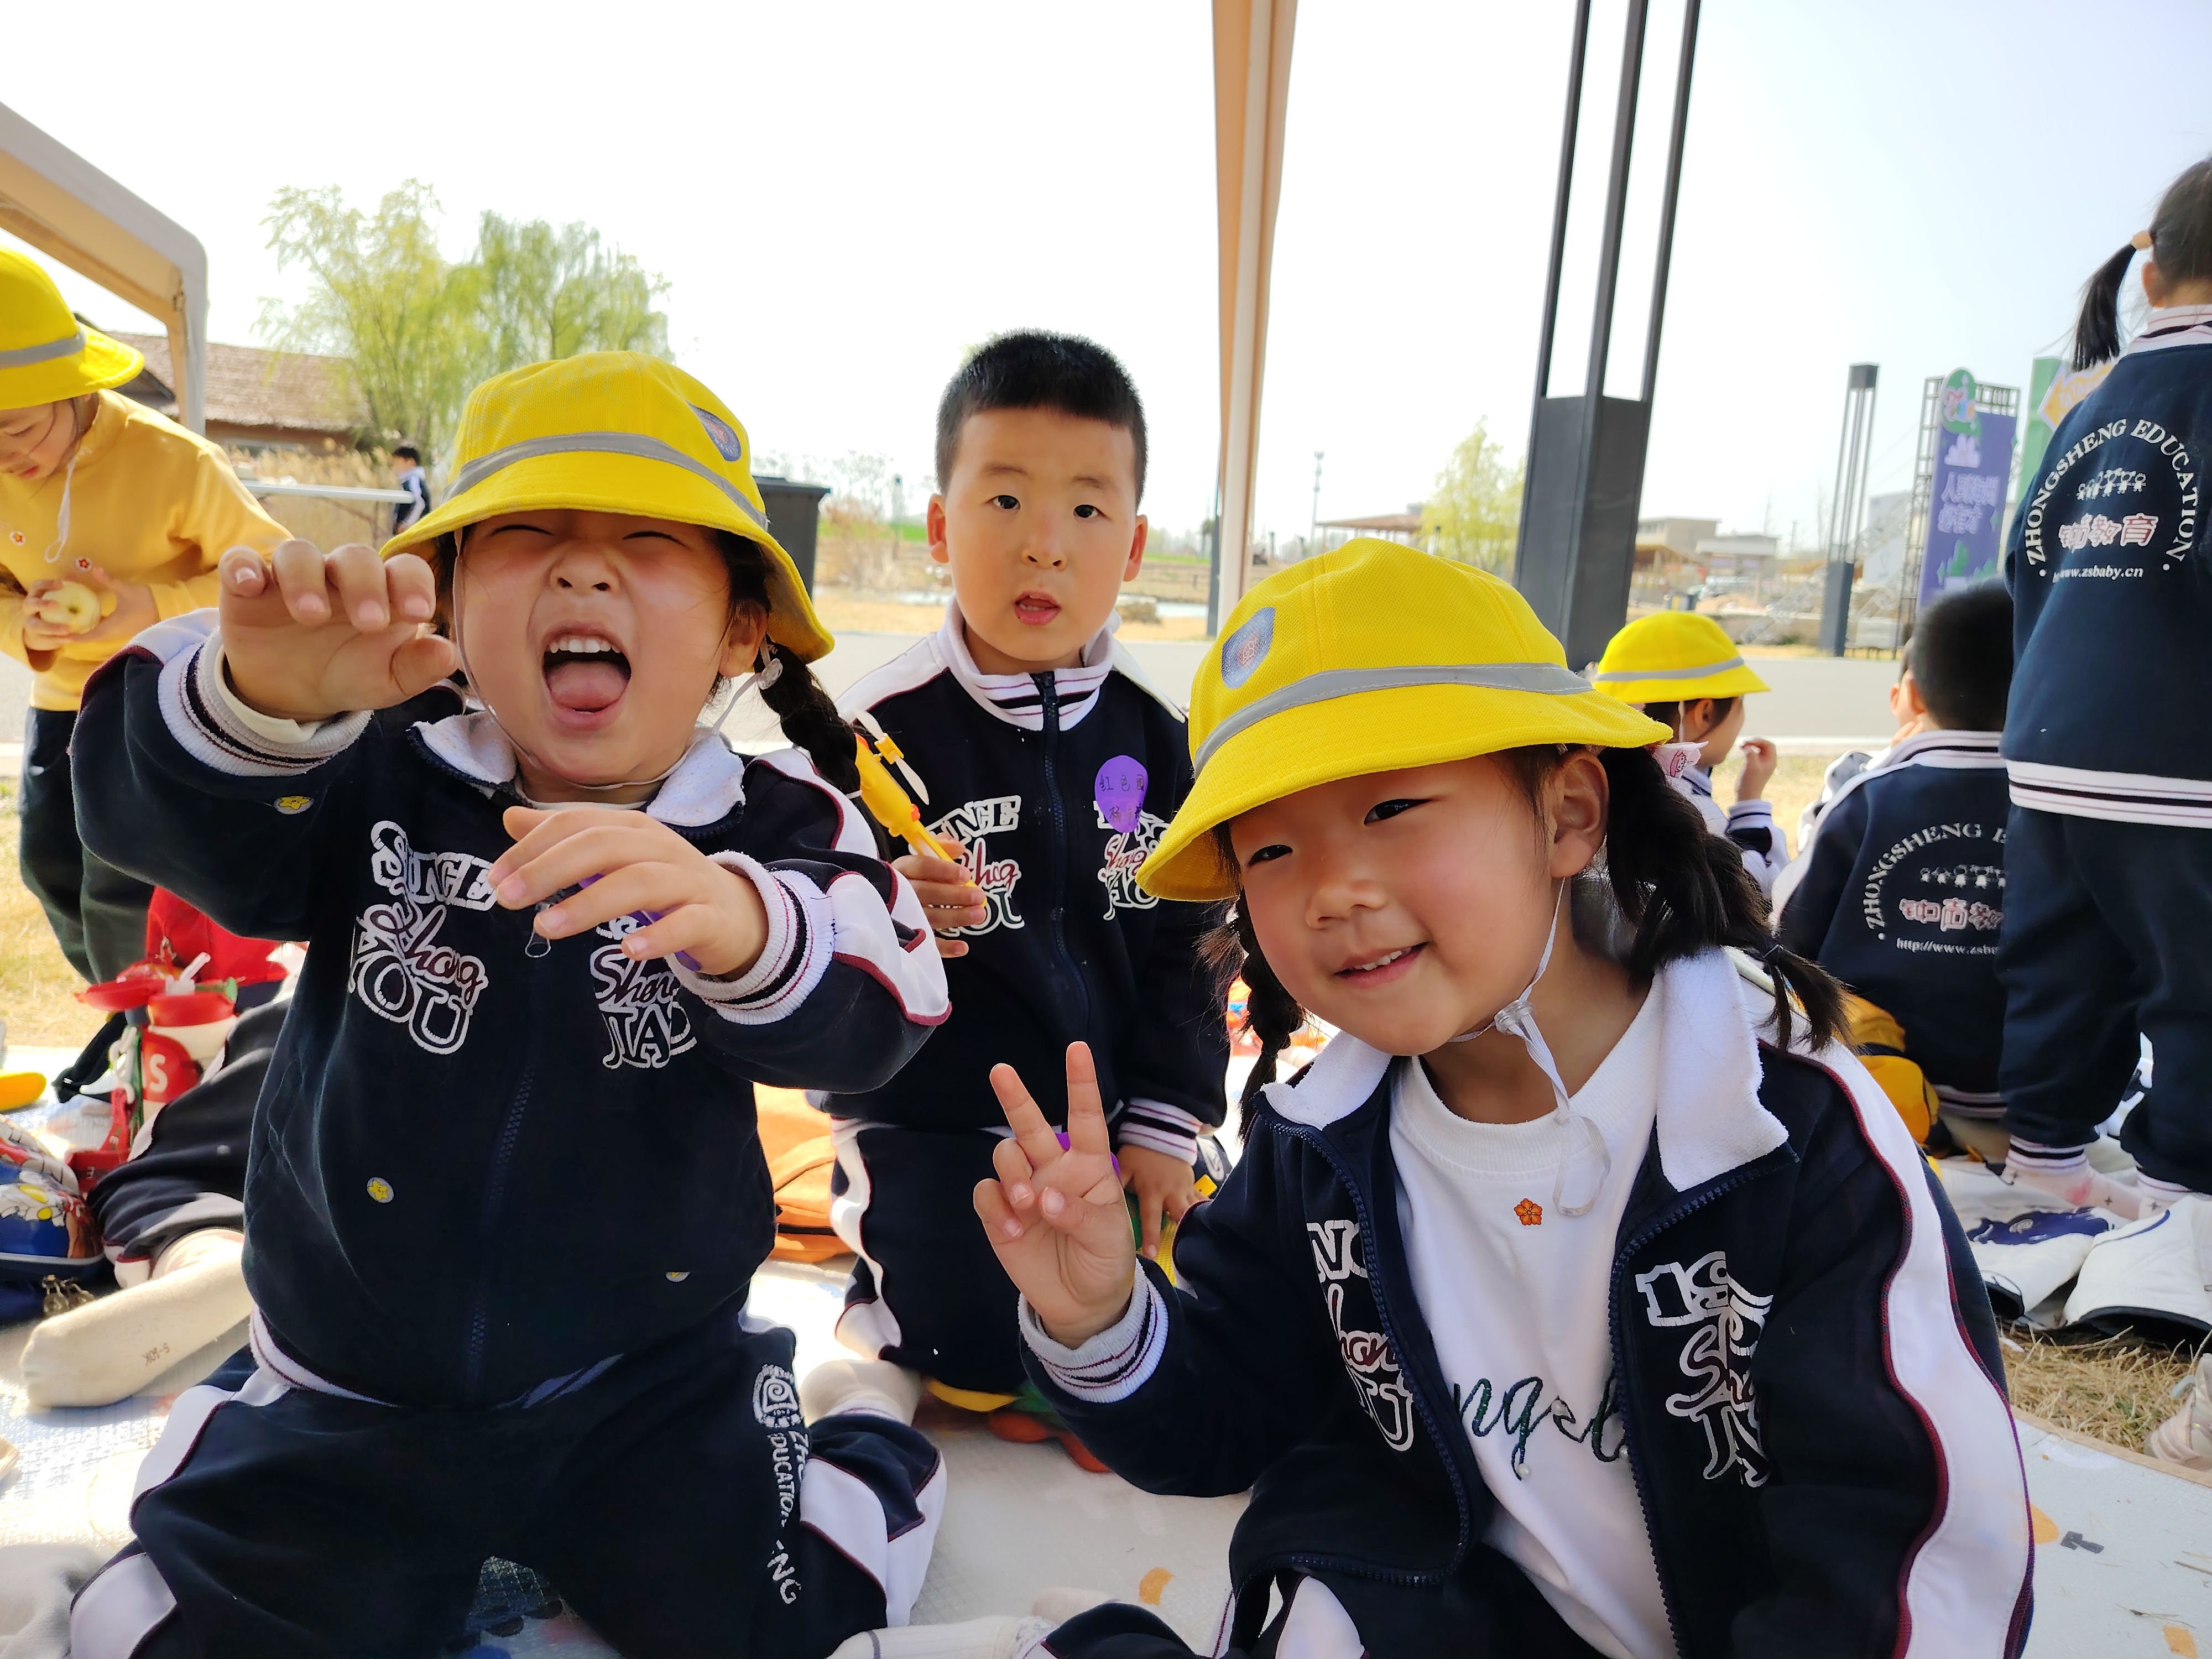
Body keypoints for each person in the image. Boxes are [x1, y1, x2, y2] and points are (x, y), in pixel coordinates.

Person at [61, 352, 1011, 1659]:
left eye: (648, 542)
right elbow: (154, 821)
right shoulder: (373, 767)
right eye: (527, 535)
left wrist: (743, 923)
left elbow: (889, 997)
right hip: (352, 1380)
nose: (583, 573)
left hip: (648, 1386)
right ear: (449, 599)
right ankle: (246, 1428)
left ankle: (853, 1432)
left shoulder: (778, 826)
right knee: (163, 1631)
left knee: (776, 1621)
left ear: (743, 631)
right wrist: (261, 703)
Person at [974, 541, 2031, 1659]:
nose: (1331, 890)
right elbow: (1227, 1416)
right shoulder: (1317, 1146)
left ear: (1568, 813)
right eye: (1270, 848)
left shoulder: (1785, 1128)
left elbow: (1910, 1544)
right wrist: (1097, 1317)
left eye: (1389, 807)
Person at [827, 333, 1227, 1417]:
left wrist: (1162, 1127)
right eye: (1004, 501)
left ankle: (1088, 1365)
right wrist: (878, 914)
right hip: (935, 1133)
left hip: (1115, 1124)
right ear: (939, 527)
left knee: (1222, 1268)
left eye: (1086, 509)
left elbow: (1193, 946)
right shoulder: (869, 738)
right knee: (962, 1324)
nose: (1044, 546)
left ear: (1133, 546)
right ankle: (938, 1343)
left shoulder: (1161, 740)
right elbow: (805, 949)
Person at [1997, 155, 2212, 1218]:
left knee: (2061, 969)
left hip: (2051, 743)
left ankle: (2043, 1167)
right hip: (2183, 755)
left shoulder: (2090, 400)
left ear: (2151, 270)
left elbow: (2025, 560)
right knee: (2198, 990)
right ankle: (2179, 1203)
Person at [0, 249, 289, 985]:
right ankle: (126, 1014)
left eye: (17, 428)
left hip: (155, 698)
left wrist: (153, 608)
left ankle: (150, 1031)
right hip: (60, 702)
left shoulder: (175, 462)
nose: (4, 455)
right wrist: (21, 626)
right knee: (48, 867)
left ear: (72, 387)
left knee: (122, 888)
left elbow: (273, 573)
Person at [1774, 583, 2016, 1139]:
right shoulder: (2056, 810)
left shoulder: (1867, 798)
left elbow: (1788, 930)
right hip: (2020, 1092)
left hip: (1877, 1081)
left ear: (1913, 694)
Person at [1589, 611, 1787, 898]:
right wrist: (1751, 804)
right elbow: (1763, 887)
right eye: (1740, 702)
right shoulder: (1684, 810)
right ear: (1705, 713)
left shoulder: (1597, 779)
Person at [390, 442, 431, 535]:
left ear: (410, 462)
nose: (395, 467)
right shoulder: (407, 481)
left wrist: (407, 524)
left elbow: (420, 503)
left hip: (414, 532)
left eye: (398, 463)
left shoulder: (413, 480)